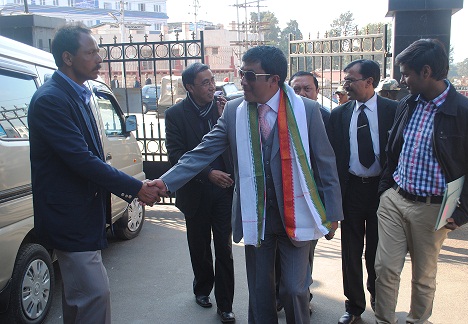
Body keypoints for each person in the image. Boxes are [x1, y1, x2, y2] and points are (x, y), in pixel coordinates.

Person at [150, 46, 343, 324]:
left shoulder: (308, 111)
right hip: (257, 217)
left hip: (298, 213)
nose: (242, 80)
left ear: (274, 80)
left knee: (294, 289)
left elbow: (326, 163)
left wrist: (333, 214)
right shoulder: (234, 111)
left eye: (249, 75)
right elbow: (202, 152)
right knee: (260, 293)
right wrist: (165, 182)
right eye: (241, 73)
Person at [28, 23, 160, 324]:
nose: (99, 59)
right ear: (68, 58)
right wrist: (137, 188)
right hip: (69, 219)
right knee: (94, 296)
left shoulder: (80, 92)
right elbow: (82, 160)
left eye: (98, 51)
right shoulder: (52, 99)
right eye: (90, 53)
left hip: (83, 216)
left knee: (80, 300)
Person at [375, 39, 468, 324]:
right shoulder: (408, 104)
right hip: (395, 201)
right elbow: (393, 150)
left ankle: (417, 320)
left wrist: (463, 213)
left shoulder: (467, 114)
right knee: (385, 268)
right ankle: (383, 320)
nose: (401, 80)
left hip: (433, 210)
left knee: (423, 276)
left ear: (426, 72)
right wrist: (386, 190)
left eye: (406, 73)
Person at [164, 62, 235, 323]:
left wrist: (224, 115)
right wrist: (208, 173)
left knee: (224, 248)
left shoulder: (225, 109)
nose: (211, 86)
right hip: (195, 191)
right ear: (189, 87)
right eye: (204, 83)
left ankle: (226, 304)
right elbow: (176, 155)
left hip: (224, 190)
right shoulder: (175, 115)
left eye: (212, 80)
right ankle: (203, 289)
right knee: (199, 246)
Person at [327, 59, 397, 324]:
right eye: (345, 80)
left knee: (379, 252)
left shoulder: (394, 110)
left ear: (369, 82)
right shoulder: (340, 114)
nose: (345, 85)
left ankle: (379, 300)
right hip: (352, 190)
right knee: (351, 251)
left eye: (350, 80)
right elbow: (331, 159)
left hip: (383, 191)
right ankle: (354, 307)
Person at [271, 70, 330, 313]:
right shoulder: (276, 116)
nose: (302, 94)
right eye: (297, 89)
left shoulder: (325, 117)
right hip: (280, 198)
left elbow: (329, 164)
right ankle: (278, 295)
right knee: (275, 254)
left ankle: (302, 295)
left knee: (304, 253)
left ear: (317, 92)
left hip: (311, 201)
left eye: (308, 89)